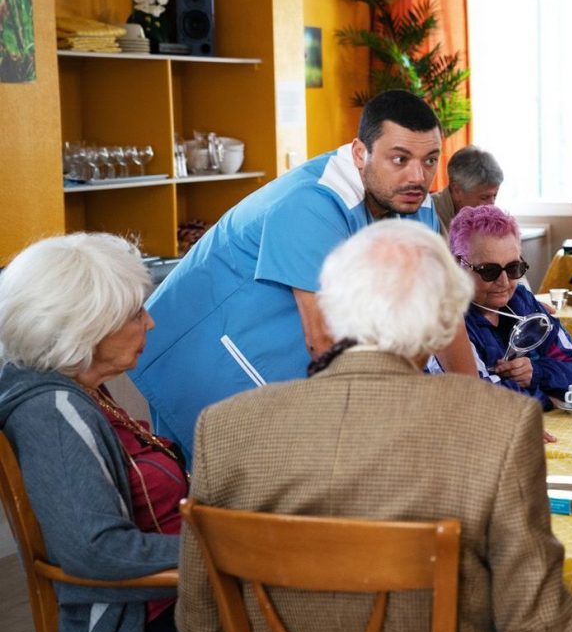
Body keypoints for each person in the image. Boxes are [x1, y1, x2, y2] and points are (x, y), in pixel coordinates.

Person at [176, 220, 572, 632]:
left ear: (332, 313)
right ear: (446, 323)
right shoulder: (500, 426)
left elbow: (201, 625)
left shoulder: (225, 429)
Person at [130, 89, 476, 460]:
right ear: (361, 153)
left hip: (283, 360)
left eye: (430, 161)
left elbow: (438, 313)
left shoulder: (412, 201)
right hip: (205, 352)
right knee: (221, 498)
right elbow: (324, 337)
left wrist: (476, 410)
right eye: (399, 158)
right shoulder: (311, 203)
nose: (417, 176)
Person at [0, 233, 208, 632]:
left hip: (173, 598)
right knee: (324, 615)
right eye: (136, 313)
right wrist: (228, 547)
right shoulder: (52, 413)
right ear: (86, 327)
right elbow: (96, 551)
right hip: (141, 626)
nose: (150, 322)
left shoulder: (80, 389)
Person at [450, 205, 572, 409]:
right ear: (457, 264)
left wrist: (537, 372)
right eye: (489, 271)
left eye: (513, 268)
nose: (504, 282)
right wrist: (550, 398)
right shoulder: (448, 320)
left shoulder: (524, 303)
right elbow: (482, 402)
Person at [430, 144, 504, 236]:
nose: (492, 206)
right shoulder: (427, 215)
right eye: (484, 197)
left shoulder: (486, 219)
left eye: (495, 196)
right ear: (457, 191)